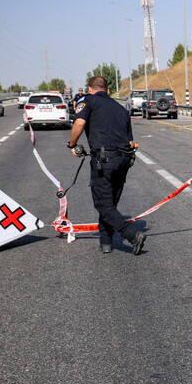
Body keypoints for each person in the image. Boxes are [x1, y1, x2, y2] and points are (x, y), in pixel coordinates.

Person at [68, 75, 146, 255]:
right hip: (124, 161)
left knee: (103, 204)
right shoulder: (121, 109)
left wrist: (72, 144)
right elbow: (130, 141)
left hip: (104, 161)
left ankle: (132, 235)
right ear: (108, 91)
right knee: (110, 203)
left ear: (89, 89)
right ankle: (106, 241)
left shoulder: (88, 100)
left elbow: (79, 122)